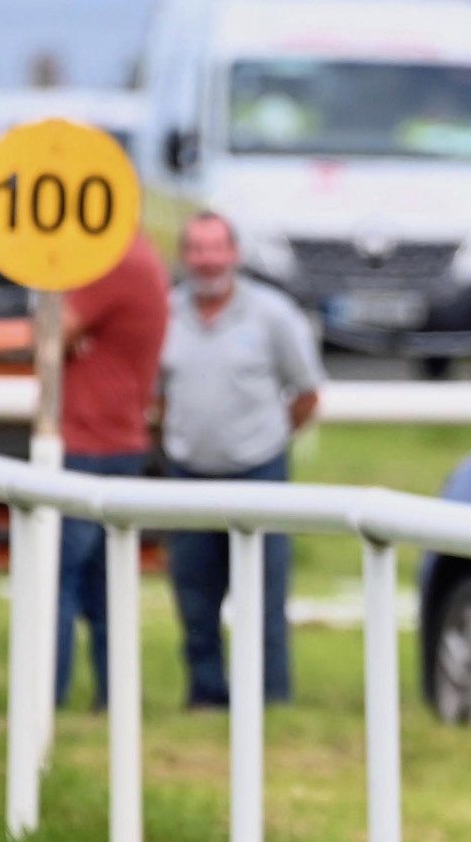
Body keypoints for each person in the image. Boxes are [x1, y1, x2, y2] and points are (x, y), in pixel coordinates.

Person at [160, 211, 323, 707]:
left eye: (217, 249)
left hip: (258, 472)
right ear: (184, 256)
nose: (208, 261)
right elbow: (154, 393)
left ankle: (270, 698)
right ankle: (206, 696)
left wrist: (269, 442)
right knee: (193, 595)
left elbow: (306, 392)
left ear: (235, 254)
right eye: (197, 249)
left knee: (264, 596)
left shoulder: (272, 314)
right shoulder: (165, 313)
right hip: (188, 475)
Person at [55, 232, 170, 709]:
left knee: (56, 578)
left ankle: (45, 698)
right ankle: (113, 697)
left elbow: (50, 335)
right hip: (119, 436)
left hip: (88, 439)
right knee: (105, 585)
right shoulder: (143, 257)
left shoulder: (115, 261)